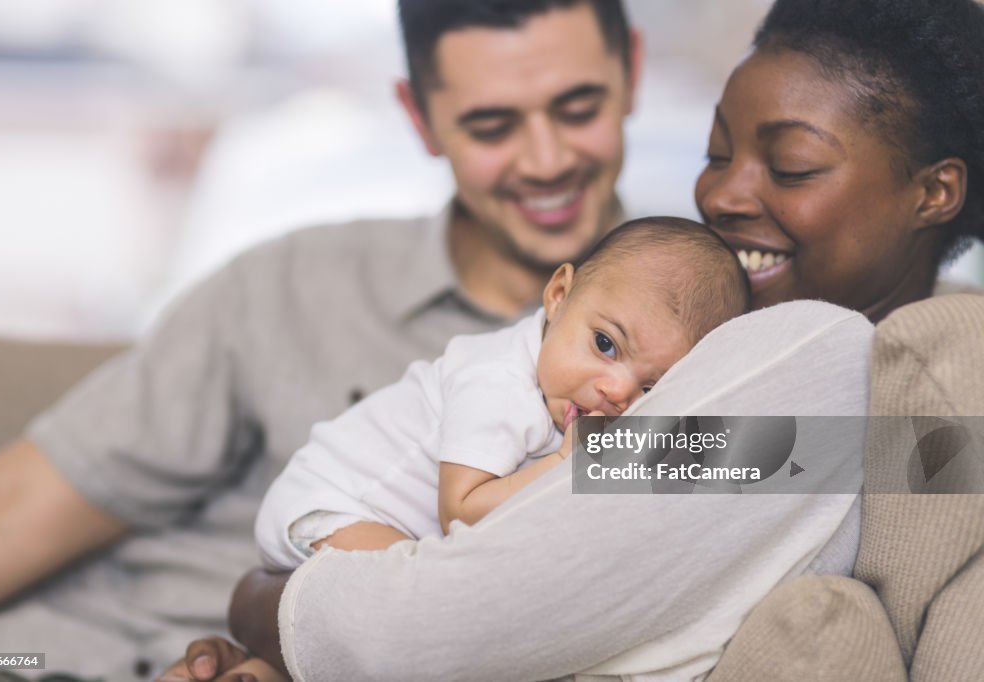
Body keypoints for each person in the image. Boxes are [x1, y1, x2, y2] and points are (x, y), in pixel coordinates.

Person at [172, 0, 983, 680]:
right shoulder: (726, 368)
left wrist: (263, 601)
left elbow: (417, 629)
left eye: (795, 166)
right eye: (715, 153)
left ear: (936, 190)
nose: (723, 194)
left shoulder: (822, 373)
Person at [0, 0, 642, 679]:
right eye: (491, 126)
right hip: (28, 655)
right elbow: (2, 508)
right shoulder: (291, 283)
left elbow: (731, 467)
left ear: (633, 74)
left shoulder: (700, 341)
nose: (547, 159)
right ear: (420, 119)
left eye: (578, 109)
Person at [256, 218, 749, 569]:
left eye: (652, 387)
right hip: (330, 504)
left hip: (380, 522)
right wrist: (564, 466)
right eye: (605, 344)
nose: (618, 392)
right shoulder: (499, 382)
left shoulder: (566, 397)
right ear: (558, 296)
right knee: (424, 601)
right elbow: (463, 511)